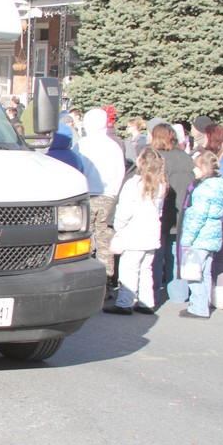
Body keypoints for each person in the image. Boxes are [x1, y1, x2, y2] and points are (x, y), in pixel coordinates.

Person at [104, 147, 166, 315]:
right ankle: (147, 301)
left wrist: (118, 226)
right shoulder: (160, 185)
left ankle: (125, 302)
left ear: (141, 162)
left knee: (128, 269)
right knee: (146, 268)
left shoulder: (134, 184)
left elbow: (124, 210)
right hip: (152, 232)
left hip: (133, 233)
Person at [76, 108, 126, 286]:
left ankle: (84, 278)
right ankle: (106, 280)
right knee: (105, 240)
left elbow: (76, 169)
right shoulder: (113, 146)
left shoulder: (82, 144)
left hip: (86, 196)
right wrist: (115, 193)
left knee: (82, 238)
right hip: (108, 197)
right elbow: (121, 172)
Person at [149, 123, 196, 297]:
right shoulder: (185, 157)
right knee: (177, 254)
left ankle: (151, 293)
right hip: (181, 211)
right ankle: (178, 293)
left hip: (162, 210)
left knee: (156, 253)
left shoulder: (157, 157)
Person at [178, 150, 223, 319]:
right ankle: (203, 305)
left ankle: (198, 307)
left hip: (200, 237)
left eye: (196, 167)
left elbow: (197, 217)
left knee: (194, 273)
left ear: (204, 169)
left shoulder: (203, 190)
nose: (194, 171)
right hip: (213, 236)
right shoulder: (220, 187)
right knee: (205, 272)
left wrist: (187, 239)